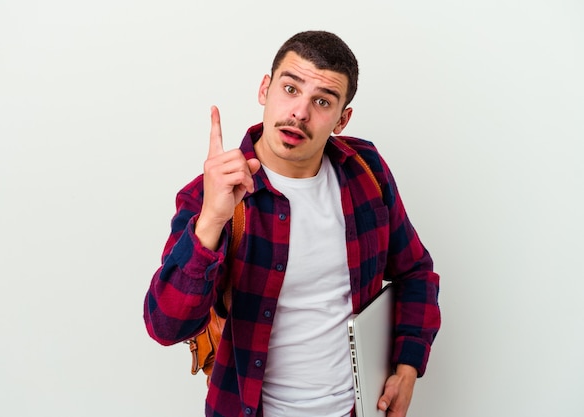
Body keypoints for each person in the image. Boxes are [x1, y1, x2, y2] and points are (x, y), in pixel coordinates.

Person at [144, 30, 441, 417]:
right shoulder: (211, 195)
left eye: (322, 101)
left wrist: (407, 369)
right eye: (290, 88)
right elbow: (166, 325)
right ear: (265, 89)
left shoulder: (365, 171)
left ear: (342, 119)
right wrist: (212, 220)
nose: (300, 112)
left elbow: (416, 272)